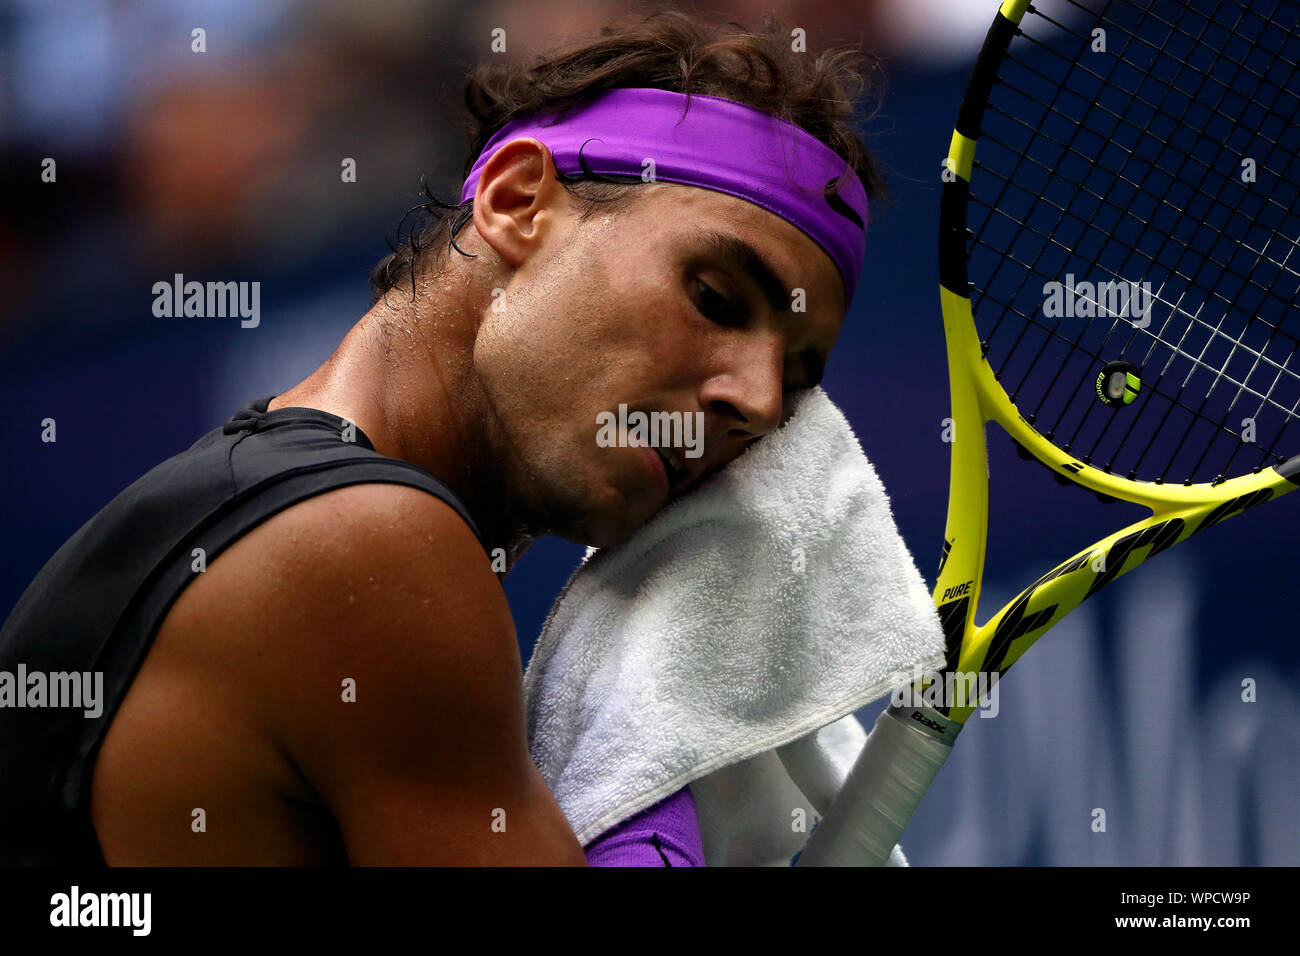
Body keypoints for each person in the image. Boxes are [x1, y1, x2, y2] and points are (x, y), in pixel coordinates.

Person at [0, 9, 884, 865]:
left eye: (797, 379)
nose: (761, 404)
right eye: (714, 298)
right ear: (516, 203)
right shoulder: (370, 542)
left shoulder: (270, 506)